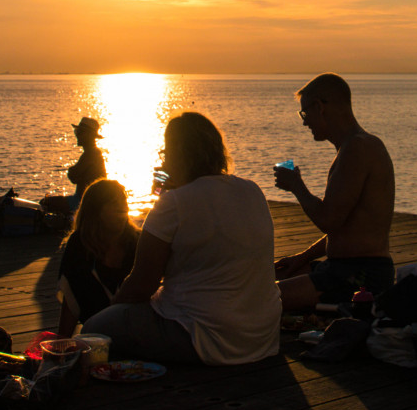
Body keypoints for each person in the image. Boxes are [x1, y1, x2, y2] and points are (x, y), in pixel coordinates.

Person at [84, 113, 279, 365]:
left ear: (178, 152)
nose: (164, 158)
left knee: (94, 328)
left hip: (204, 339)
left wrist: (114, 307)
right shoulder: (252, 190)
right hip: (261, 337)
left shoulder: (174, 203)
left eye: (166, 152)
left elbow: (142, 285)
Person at [272, 73, 396, 311]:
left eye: (305, 114)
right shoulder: (355, 147)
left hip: (360, 275)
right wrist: (303, 258)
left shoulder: (357, 149)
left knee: (261, 300)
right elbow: (345, 227)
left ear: (320, 107)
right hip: (341, 267)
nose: (304, 122)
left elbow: (328, 220)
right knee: (266, 278)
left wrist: (296, 186)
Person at [56, 179, 140, 336]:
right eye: (115, 205)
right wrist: (61, 344)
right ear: (97, 210)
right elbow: (71, 298)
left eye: (124, 205)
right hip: (96, 332)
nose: (122, 211)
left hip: (135, 330)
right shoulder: (80, 244)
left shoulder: (136, 242)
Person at [66, 117, 107, 209]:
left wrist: (72, 171)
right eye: (77, 132)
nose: (77, 135)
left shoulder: (91, 154)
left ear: (90, 135)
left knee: (48, 202)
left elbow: (73, 175)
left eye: (80, 133)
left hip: (86, 201)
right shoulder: (91, 153)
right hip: (86, 199)